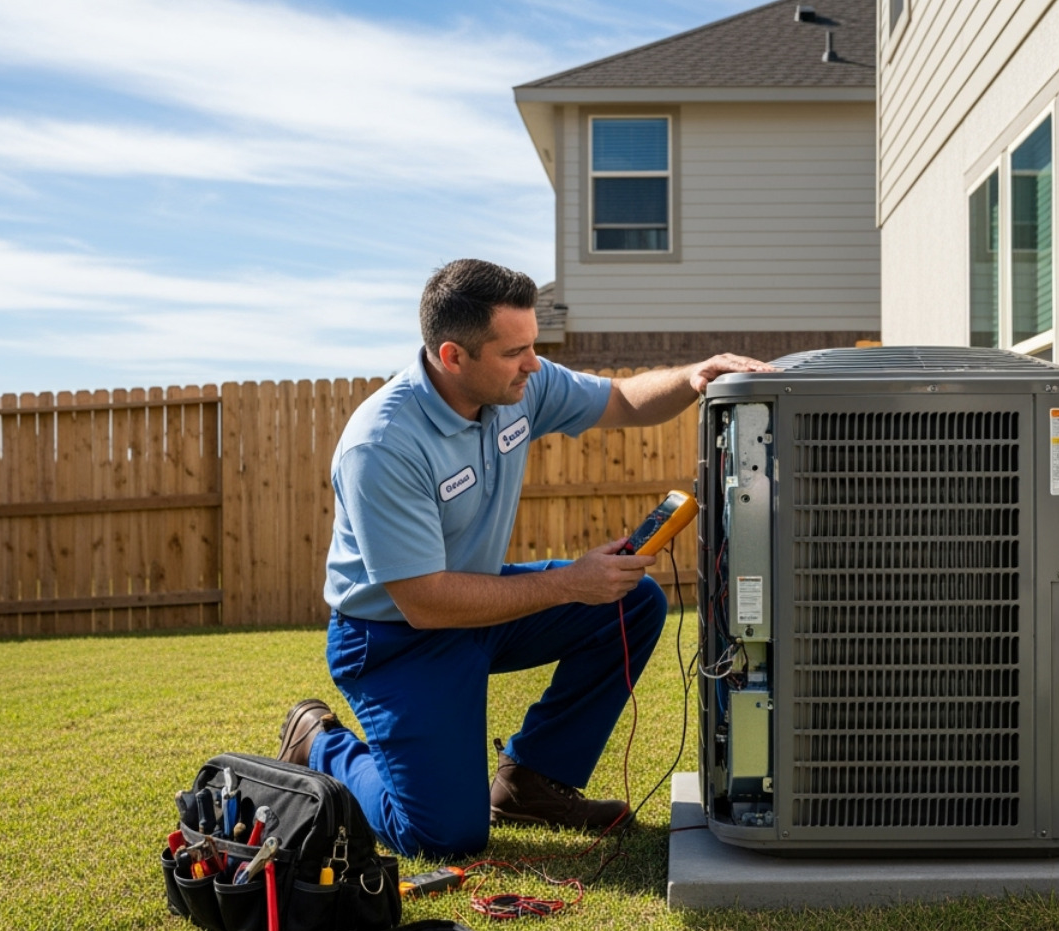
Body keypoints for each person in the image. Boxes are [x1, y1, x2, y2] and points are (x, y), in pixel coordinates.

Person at [278, 258, 774, 857]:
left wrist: (696, 373)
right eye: (515, 351)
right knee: (442, 837)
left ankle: (531, 783)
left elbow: (622, 399)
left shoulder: (521, 387)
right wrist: (570, 583)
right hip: (396, 637)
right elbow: (425, 602)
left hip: (477, 604)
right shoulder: (382, 444)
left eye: (533, 345)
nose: (533, 364)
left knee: (632, 601)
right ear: (453, 356)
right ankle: (320, 743)